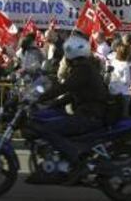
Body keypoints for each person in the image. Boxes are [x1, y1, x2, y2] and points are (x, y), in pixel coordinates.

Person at [27, 35, 109, 183]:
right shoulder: (85, 67)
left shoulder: (82, 69)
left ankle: (76, 161)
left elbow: (65, 87)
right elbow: (73, 94)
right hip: (89, 113)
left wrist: (40, 97)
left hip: (89, 116)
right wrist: (52, 104)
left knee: (48, 129)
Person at [107, 44, 131, 117]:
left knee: (114, 114)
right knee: (124, 115)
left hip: (112, 91)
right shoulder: (125, 65)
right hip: (123, 93)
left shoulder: (113, 62)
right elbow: (127, 81)